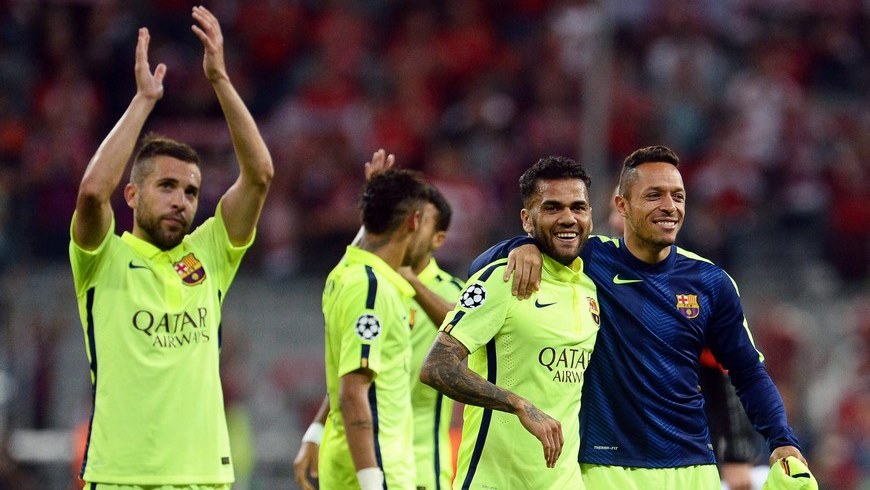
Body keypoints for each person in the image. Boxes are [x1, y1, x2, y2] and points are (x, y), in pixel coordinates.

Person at [472, 146, 806, 489]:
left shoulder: (710, 282)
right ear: (622, 206)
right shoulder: (587, 260)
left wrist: (782, 438)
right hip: (608, 468)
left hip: (694, 467)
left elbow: (747, 372)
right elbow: (479, 271)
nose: (669, 207)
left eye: (678, 196)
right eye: (654, 196)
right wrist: (519, 246)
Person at [69, 7, 273, 489]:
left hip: (203, 476)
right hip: (120, 476)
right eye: (166, 186)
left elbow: (260, 174)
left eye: (190, 192)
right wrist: (143, 101)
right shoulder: (102, 258)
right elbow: (93, 193)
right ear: (133, 194)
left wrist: (219, 79)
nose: (181, 200)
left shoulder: (210, 254)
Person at [420, 156, 600, 489]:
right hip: (496, 482)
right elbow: (435, 366)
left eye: (578, 207)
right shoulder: (505, 278)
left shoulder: (590, 288)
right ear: (527, 221)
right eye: (552, 208)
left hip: (565, 482)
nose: (568, 218)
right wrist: (517, 403)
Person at [293, 155, 464, 490]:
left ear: (438, 237)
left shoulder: (354, 275)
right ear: (412, 222)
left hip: (419, 464)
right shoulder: (373, 286)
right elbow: (354, 386)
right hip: (377, 463)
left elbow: (466, 332)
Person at [610, 185, 766, 490]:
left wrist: (736, 454)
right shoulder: (594, 276)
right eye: (616, 210)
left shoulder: (691, 286)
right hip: (615, 449)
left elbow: (729, 372)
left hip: (684, 452)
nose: (619, 218)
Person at [318, 167, 430, 489]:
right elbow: (353, 393)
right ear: (414, 222)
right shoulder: (371, 290)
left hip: (350, 463)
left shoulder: (345, 272)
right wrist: (371, 482)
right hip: (376, 470)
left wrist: (375, 195)